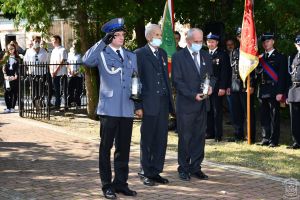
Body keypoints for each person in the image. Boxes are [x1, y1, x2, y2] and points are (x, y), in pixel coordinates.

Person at [82, 18, 137, 199]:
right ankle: (107, 185)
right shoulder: (102, 54)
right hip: (109, 109)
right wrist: (102, 42)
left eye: (123, 34)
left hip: (127, 108)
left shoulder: (131, 56)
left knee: (123, 148)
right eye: (117, 35)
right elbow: (87, 60)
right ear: (110, 37)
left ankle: (121, 183)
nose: (122, 38)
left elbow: (137, 81)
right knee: (105, 148)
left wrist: (138, 101)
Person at [172, 28, 215, 181]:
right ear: (189, 41)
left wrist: (211, 87)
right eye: (196, 41)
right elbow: (177, 81)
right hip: (186, 105)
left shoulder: (205, 55)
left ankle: (196, 167)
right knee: (185, 137)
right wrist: (192, 95)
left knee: (199, 137)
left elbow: (211, 76)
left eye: (201, 41)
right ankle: (183, 168)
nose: (199, 44)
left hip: (203, 104)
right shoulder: (178, 57)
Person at [135, 24, 175, 186]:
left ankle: (156, 171)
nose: (160, 38)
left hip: (163, 102)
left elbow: (166, 78)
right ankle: (145, 172)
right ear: (149, 37)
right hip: (148, 103)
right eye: (157, 35)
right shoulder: (139, 54)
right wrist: (137, 105)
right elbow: (135, 81)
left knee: (161, 139)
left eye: (160, 35)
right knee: (148, 139)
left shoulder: (163, 54)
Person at [256, 33, 288, 147]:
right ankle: (265, 138)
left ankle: (274, 140)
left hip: (274, 90)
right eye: (264, 42)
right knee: (264, 116)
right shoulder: (259, 58)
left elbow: (283, 77)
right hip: (262, 89)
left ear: (273, 42)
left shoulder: (280, 57)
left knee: (274, 116)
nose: (265, 43)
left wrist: (280, 92)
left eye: (268, 41)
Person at [229, 27, 256, 143]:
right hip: (235, 85)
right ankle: (238, 134)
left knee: (248, 113)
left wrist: (252, 85)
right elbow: (230, 70)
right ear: (237, 38)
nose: (242, 38)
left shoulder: (251, 51)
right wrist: (229, 86)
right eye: (240, 36)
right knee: (236, 112)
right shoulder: (234, 52)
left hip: (246, 86)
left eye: (244, 36)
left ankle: (250, 136)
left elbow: (254, 70)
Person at [206, 32, 231, 142]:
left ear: (216, 42)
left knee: (217, 111)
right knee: (208, 110)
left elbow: (225, 72)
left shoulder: (222, 54)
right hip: (206, 87)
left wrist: (222, 87)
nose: (210, 44)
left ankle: (218, 134)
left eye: (212, 42)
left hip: (217, 88)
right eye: (208, 41)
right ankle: (209, 132)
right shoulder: (204, 54)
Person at [23, 36, 49, 108]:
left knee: (41, 88)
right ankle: (34, 103)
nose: (37, 42)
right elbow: (25, 61)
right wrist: (27, 70)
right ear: (33, 41)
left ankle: (41, 101)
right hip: (32, 72)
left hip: (41, 72)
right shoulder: (29, 51)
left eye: (38, 41)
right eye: (35, 41)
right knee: (33, 88)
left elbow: (47, 62)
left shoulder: (44, 51)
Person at [286, 35, 300, 149]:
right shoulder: (293, 57)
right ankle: (296, 142)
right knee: (294, 119)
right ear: (295, 45)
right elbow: (289, 76)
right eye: (298, 44)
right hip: (293, 90)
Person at [49, 35, 68, 109]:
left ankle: (66, 104)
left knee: (63, 89)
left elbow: (62, 61)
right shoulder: (53, 50)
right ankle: (57, 105)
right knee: (56, 90)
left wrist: (56, 71)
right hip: (53, 73)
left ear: (57, 40)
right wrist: (51, 71)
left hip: (61, 73)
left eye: (53, 40)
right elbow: (51, 62)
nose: (52, 42)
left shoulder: (62, 50)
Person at [1, 43, 20, 113]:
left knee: (14, 92)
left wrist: (15, 76)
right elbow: (3, 68)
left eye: (12, 49)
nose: (10, 50)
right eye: (9, 49)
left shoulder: (17, 58)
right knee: (6, 92)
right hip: (7, 76)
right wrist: (5, 75)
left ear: (14, 49)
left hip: (14, 76)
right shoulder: (6, 57)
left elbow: (18, 68)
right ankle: (8, 107)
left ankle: (12, 107)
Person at [67, 40, 83, 107]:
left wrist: (77, 72)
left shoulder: (81, 54)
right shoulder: (69, 54)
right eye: (74, 44)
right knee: (70, 89)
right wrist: (70, 70)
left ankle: (77, 103)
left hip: (78, 75)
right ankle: (70, 103)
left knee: (78, 90)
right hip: (71, 74)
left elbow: (82, 65)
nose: (75, 46)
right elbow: (68, 63)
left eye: (76, 44)